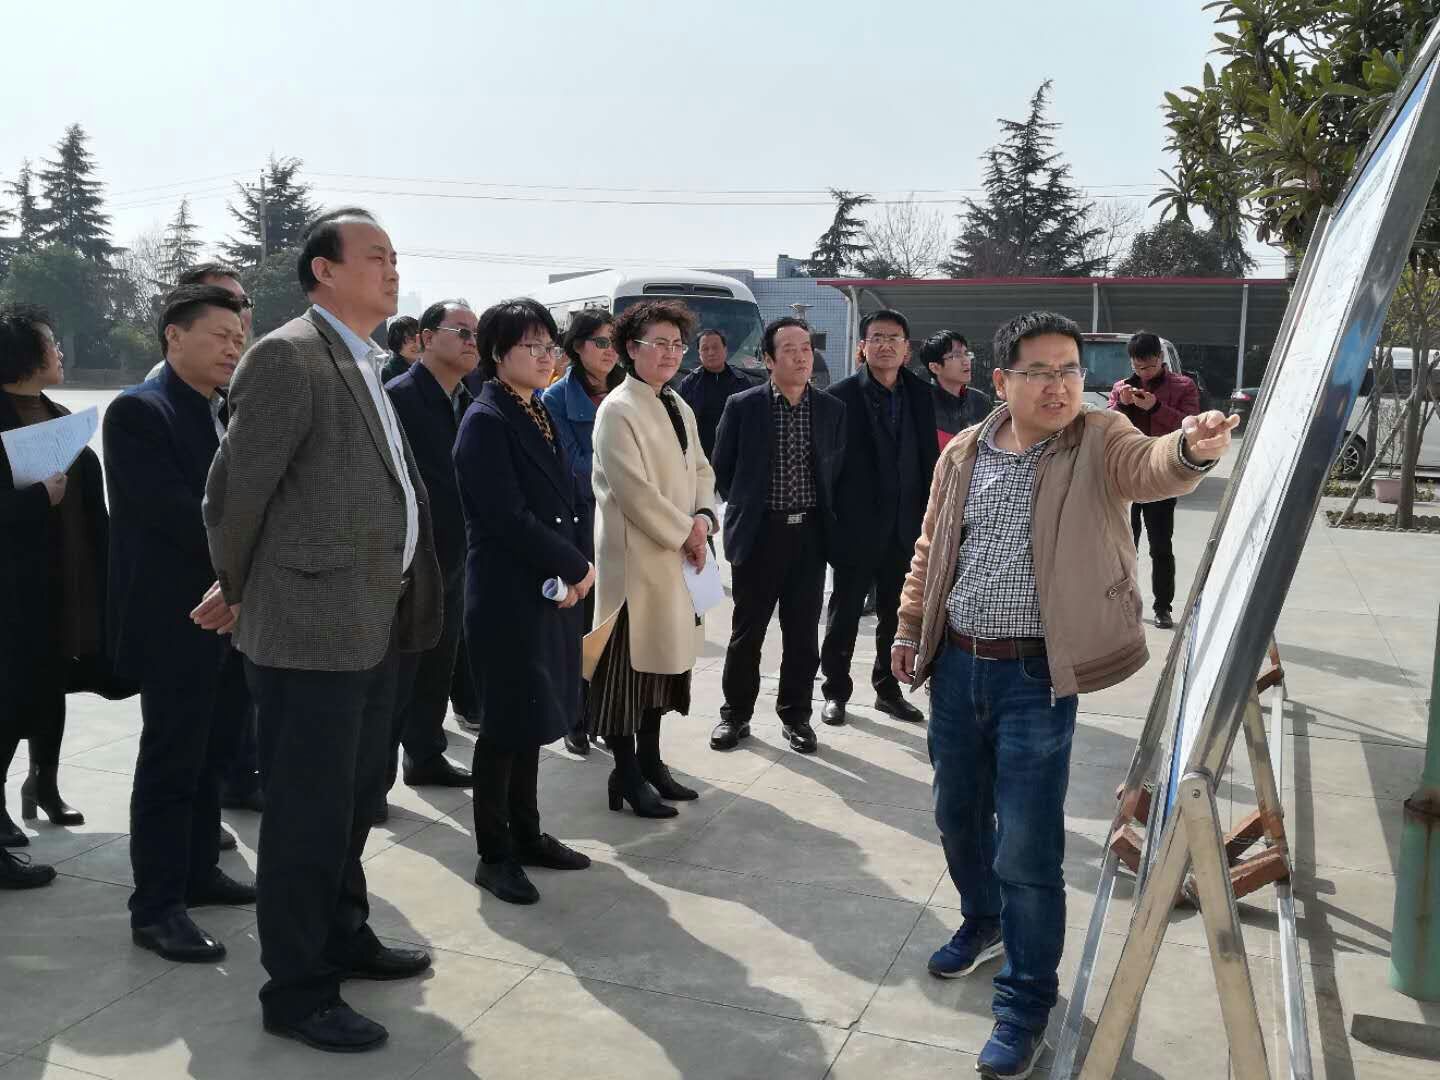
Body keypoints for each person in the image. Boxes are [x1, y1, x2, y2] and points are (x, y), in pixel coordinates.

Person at [890, 311, 1238, 1079]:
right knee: (956, 816)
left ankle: (1024, 1004)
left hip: (1037, 678)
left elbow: (1152, 467)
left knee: (1027, 844)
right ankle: (984, 921)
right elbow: (933, 545)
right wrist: (912, 624)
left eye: (1071, 370)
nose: (1059, 385)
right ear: (1001, 380)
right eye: (1041, 372)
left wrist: (1191, 448)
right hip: (956, 666)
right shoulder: (966, 451)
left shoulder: (1100, 436)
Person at [202, 207, 444, 1054]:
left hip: (375, 623)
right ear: (324, 271)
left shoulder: (368, 361)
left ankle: (344, 935)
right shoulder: (288, 356)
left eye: (395, 254)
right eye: (374, 255)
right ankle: (297, 990)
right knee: (306, 819)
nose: (392, 267)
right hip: (308, 631)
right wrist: (243, 589)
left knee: (353, 803)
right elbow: (233, 495)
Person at [105, 285, 258, 961]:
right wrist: (248, 561)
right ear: (174, 336)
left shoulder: (225, 410)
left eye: (238, 338)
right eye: (219, 335)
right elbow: (179, 513)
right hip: (177, 620)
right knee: (171, 763)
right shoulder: (141, 412)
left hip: (232, 616)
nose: (233, 348)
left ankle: (199, 872)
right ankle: (157, 907)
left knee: (214, 755)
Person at [454, 298, 595, 905]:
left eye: (549, 346)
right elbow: (507, 518)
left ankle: (528, 833)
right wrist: (574, 565)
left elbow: (569, 498)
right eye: (531, 347)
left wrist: (578, 565)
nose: (545, 357)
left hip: (548, 587)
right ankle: (495, 853)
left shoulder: (534, 408)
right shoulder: (486, 420)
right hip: (508, 593)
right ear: (497, 353)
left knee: (533, 717)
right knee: (504, 726)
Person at [0, 304, 118, 887]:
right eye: (51, 342)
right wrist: (34, 500)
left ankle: (42, 784)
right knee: (9, 701)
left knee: (50, 685)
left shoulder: (57, 415)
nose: (60, 351)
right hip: (15, 592)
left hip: (66, 584)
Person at [586, 299, 717, 818]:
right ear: (630, 349)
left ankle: (651, 763)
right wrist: (688, 532)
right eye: (658, 343)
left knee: (662, 671)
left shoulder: (676, 403)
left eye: (677, 344)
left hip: (678, 556)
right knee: (626, 677)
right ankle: (626, 771)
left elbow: (701, 468)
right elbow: (633, 492)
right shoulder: (618, 408)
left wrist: (702, 519)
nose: (670, 353)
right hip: (636, 564)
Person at [710, 317, 845, 754]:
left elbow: (837, 472)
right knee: (747, 632)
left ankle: (796, 717)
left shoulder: (830, 409)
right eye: (789, 349)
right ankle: (735, 715)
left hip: (809, 537)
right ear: (768, 359)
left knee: (802, 634)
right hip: (759, 535)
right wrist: (751, 506)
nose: (801, 356)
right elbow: (722, 469)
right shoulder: (743, 406)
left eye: (806, 347)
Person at [380, 301, 479, 807]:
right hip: (408, 560)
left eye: (475, 333)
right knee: (395, 676)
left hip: (457, 554)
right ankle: (371, 786)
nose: (471, 341)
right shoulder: (397, 399)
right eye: (460, 331)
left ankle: (425, 754)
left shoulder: (471, 399)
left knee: (439, 664)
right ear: (423, 338)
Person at [819, 308, 937, 727]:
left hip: (906, 527)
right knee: (845, 613)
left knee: (896, 614)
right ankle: (835, 691)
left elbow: (928, 459)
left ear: (907, 349)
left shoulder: (921, 395)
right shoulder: (839, 396)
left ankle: (888, 691)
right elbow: (826, 468)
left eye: (894, 338)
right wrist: (832, 525)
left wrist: (930, 518)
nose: (886, 345)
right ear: (862, 347)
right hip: (855, 527)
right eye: (877, 338)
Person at [542, 307, 624, 756]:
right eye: (601, 342)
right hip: (583, 525)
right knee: (580, 627)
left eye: (616, 343)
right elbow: (571, 465)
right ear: (577, 347)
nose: (611, 352)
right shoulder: (555, 398)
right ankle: (575, 716)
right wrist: (627, 472)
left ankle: (607, 714)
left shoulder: (630, 391)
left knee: (616, 627)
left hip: (627, 524)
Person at [1107, 331, 1202, 630]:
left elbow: (1190, 427)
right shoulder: (1121, 388)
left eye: (1149, 366)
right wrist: (1123, 405)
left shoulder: (1183, 386)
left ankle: (1163, 607)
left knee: (1161, 545)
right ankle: (1123, 606)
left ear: (1160, 359)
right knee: (1123, 547)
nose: (1144, 373)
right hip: (1126, 475)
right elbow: (1107, 426)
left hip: (1161, 475)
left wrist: (1155, 407)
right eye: (1138, 367)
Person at [145, 264, 255, 381]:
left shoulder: (258, 373)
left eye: (245, 303)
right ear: (174, 336)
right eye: (223, 301)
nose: (238, 311)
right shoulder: (163, 381)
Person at [677, 328, 751, 459]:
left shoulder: (741, 382)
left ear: (725, 350)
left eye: (715, 347)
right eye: (705, 349)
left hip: (735, 454)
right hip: (700, 455)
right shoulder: (689, 384)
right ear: (699, 353)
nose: (711, 352)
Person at [922, 331, 992, 448]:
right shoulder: (921, 406)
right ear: (935, 367)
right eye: (957, 356)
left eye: (966, 353)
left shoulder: (980, 401)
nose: (966, 361)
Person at [380, 315, 421, 384]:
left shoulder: (432, 363)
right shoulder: (389, 372)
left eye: (416, 337)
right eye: (408, 340)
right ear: (396, 344)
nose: (416, 344)